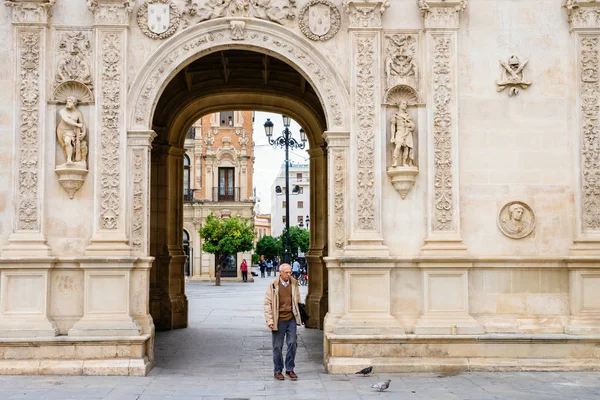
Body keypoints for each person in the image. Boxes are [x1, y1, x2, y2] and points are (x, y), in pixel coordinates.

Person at [264, 263, 302, 381]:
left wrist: (300, 315)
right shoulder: (273, 285)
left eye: (290, 272)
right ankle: (277, 370)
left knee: (292, 343)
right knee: (277, 347)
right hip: (278, 319)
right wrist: (270, 320)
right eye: (286, 272)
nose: (289, 274)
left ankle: (289, 369)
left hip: (291, 318)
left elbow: (298, 300)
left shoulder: (294, 283)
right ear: (280, 272)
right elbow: (267, 304)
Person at [390, 101, 415, 168]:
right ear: (399, 105)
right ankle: (395, 161)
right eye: (403, 104)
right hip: (399, 132)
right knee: (398, 146)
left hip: (407, 132)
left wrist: (408, 125)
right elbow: (393, 126)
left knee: (406, 148)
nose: (405, 105)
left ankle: (404, 163)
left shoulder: (408, 115)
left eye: (406, 104)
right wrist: (392, 136)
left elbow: (412, 125)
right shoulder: (395, 115)